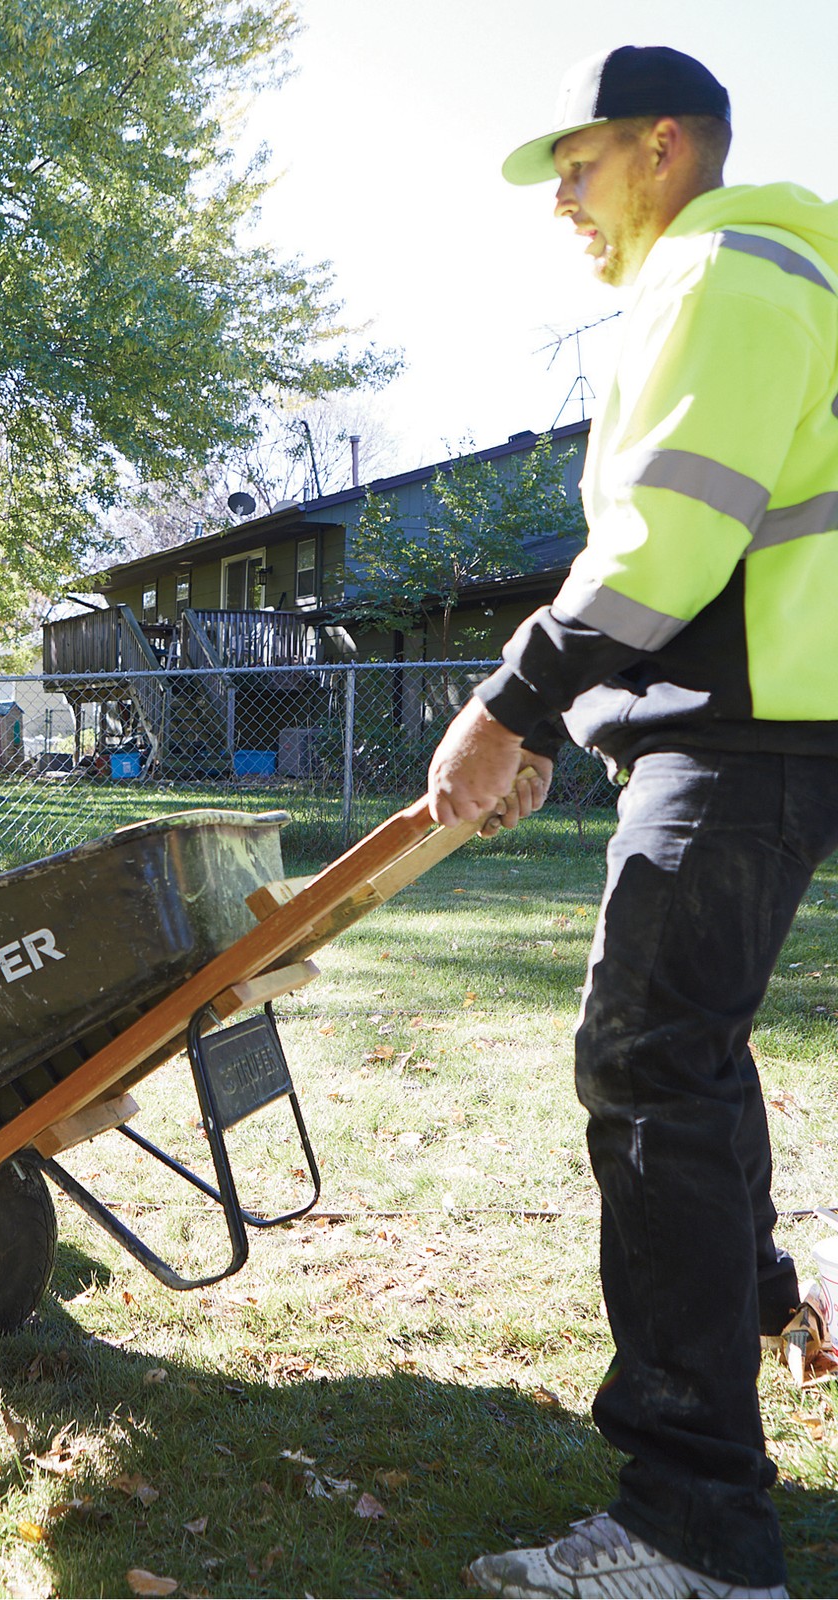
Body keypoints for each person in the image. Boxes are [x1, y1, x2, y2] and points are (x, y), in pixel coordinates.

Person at [426, 44, 838, 1600]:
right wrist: (586, 724)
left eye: (579, 168)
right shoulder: (781, 270)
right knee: (688, 1054)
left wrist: (511, 704)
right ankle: (764, 1310)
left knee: (649, 1065)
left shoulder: (724, 271)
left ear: (665, 146)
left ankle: (695, 1530)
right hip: (762, 718)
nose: (566, 206)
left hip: (749, 730)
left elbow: (672, 534)